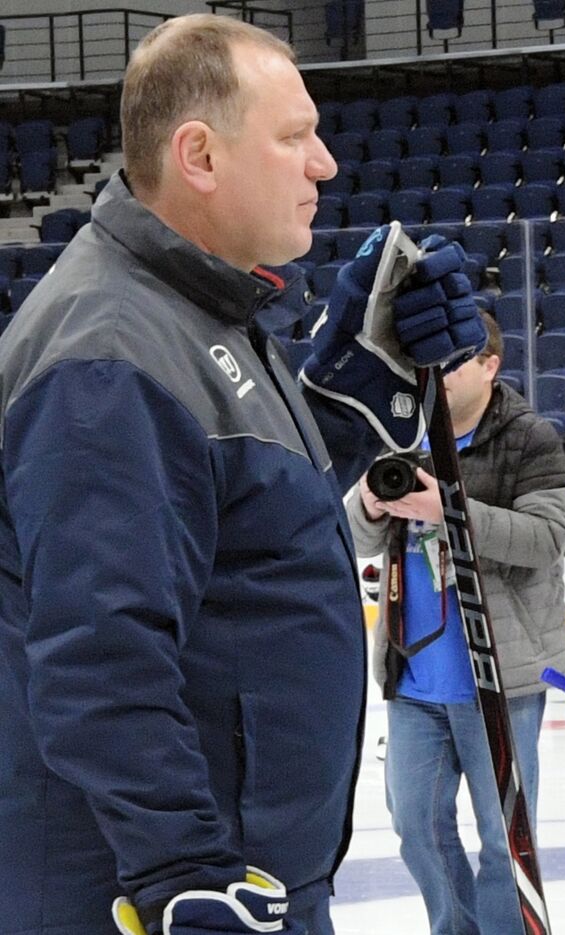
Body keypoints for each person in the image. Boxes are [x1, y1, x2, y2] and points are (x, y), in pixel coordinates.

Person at [0, 15, 482, 935]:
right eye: (295, 137)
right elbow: (100, 652)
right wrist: (184, 870)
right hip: (158, 896)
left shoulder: (193, 315)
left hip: (242, 875)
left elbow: (236, 530)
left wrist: (353, 394)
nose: (326, 164)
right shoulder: (111, 354)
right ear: (201, 156)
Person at [349, 311, 565, 935]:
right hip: (414, 678)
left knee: (505, 842)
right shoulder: (400, 435)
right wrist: (368, 502)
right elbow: (356, 536)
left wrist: (448, 510)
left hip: (501, 682)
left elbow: (546, 539)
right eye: (431, 365)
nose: (438, 376)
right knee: (415, 828)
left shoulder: (529, 438)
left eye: (453, 363)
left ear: (490, 366)